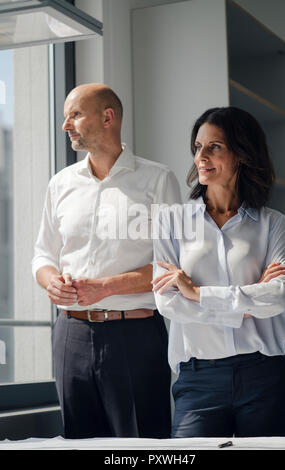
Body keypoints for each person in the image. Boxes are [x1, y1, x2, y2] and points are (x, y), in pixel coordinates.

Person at [32, 83, 181, 439]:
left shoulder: (158, 180)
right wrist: (49, 279)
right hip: (71, 335)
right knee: (77, 442)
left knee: (141, 447)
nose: (66, 125)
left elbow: (173, 266)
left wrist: (105, 287)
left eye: (75, 114)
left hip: (135, 336)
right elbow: (42, 254)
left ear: (108, 117)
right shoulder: (60, 184)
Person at [152, 106, 285, 438]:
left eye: (214, 146)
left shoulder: (271, 223)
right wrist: (243, 308)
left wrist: (198, 293)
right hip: (198, 381)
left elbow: (277, 297)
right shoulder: (171, 221)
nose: (201, 156)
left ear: (242, 154)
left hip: (264, 377)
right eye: (198, 147)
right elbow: (168, 303)